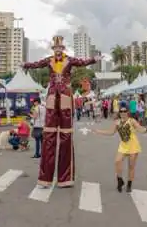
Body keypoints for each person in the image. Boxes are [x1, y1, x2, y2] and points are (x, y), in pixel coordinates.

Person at [23, 35, 100, 188]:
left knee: (66, 136)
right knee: (49, 136)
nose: (58, 50)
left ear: (63, 49)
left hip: (65, 95)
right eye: (56, 48)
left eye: (60, 48)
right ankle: (45, 178)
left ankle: (65, 178)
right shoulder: (49, 60)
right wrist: (25, 64)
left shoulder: (69, 60)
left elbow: (82, 62)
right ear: (54, 49)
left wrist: (94, 60)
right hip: (52, 95)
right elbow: (36, 64)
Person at [94, 102, 147, 193]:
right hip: (123, 145)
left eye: (125, 111)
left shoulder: (132, 121)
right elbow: (111, 132)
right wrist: (99, 131)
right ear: (119, 112)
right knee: (117, 161)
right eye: (121, 111)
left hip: (133, 145)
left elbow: (140, 129)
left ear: (127, 112)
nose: (123, 113)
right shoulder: (117, 122)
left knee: (131, 166)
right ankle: (120, 180)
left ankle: (129, 184)